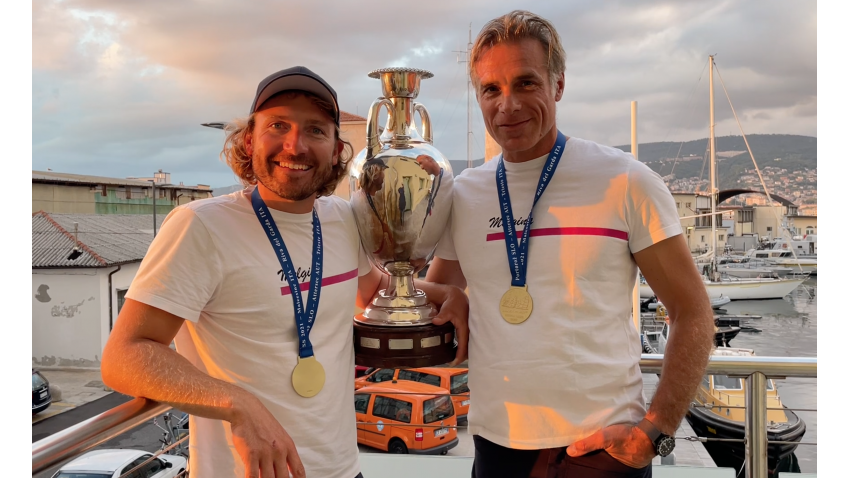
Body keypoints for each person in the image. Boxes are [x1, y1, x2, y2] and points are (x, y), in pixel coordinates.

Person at [101, 66, 469, 478]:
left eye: (315, 130)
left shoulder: (342, 219)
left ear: (336, 150)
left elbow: (374, 289)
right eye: (278, 125)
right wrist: (238, 406)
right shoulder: (199, 226)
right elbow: (124, 356)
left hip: (343, 470)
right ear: (249, 139)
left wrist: (441, 294)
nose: (294, 146)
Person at [425, 11, 715, 478]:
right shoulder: (465, 194)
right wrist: (445, 295)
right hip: (496, 447)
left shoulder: (625, 181)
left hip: (600, 452)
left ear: (558, 85)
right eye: (491, 90)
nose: (508, 105)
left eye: (526, 84)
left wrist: (655, 434)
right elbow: (429, 299)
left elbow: (693, 313)